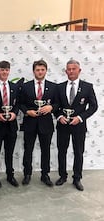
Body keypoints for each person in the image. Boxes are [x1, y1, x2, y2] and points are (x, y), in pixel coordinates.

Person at [55, 60, 98, 191]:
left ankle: (77, 178)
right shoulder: (59, 87)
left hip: (78, 126)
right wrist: (59, 116)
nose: (71, 71)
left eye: (74, 69)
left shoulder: (87, 87)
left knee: (78, 152)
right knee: (61, 151)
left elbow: (94, 106)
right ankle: (62, 176)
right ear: (65, 71)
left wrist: (80, 118)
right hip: (63, 125)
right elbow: (55, 106)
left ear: (79, 70)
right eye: (69, 69)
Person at [19, 59, 58, 186]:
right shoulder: (25, 86)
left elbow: (58, 103)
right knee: (28, 149)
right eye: (37, 70)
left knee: (45, 150)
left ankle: (45, 175)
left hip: (46, 123)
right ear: (33, 71)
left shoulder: (53, 86)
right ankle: (27, 174)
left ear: (46, 70)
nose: (40, 72)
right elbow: (20, 103)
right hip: (30, 122)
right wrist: (26, 111)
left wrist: (51, 107)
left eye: (42, 70)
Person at [0, 61, 19, 188]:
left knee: (9, 152)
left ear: (9, 71)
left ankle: (10, 175)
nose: (4, 72)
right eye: (2, 69)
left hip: (11, 124)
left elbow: (18, 103)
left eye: (7, 70)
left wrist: (14, 113)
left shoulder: (14, 86)